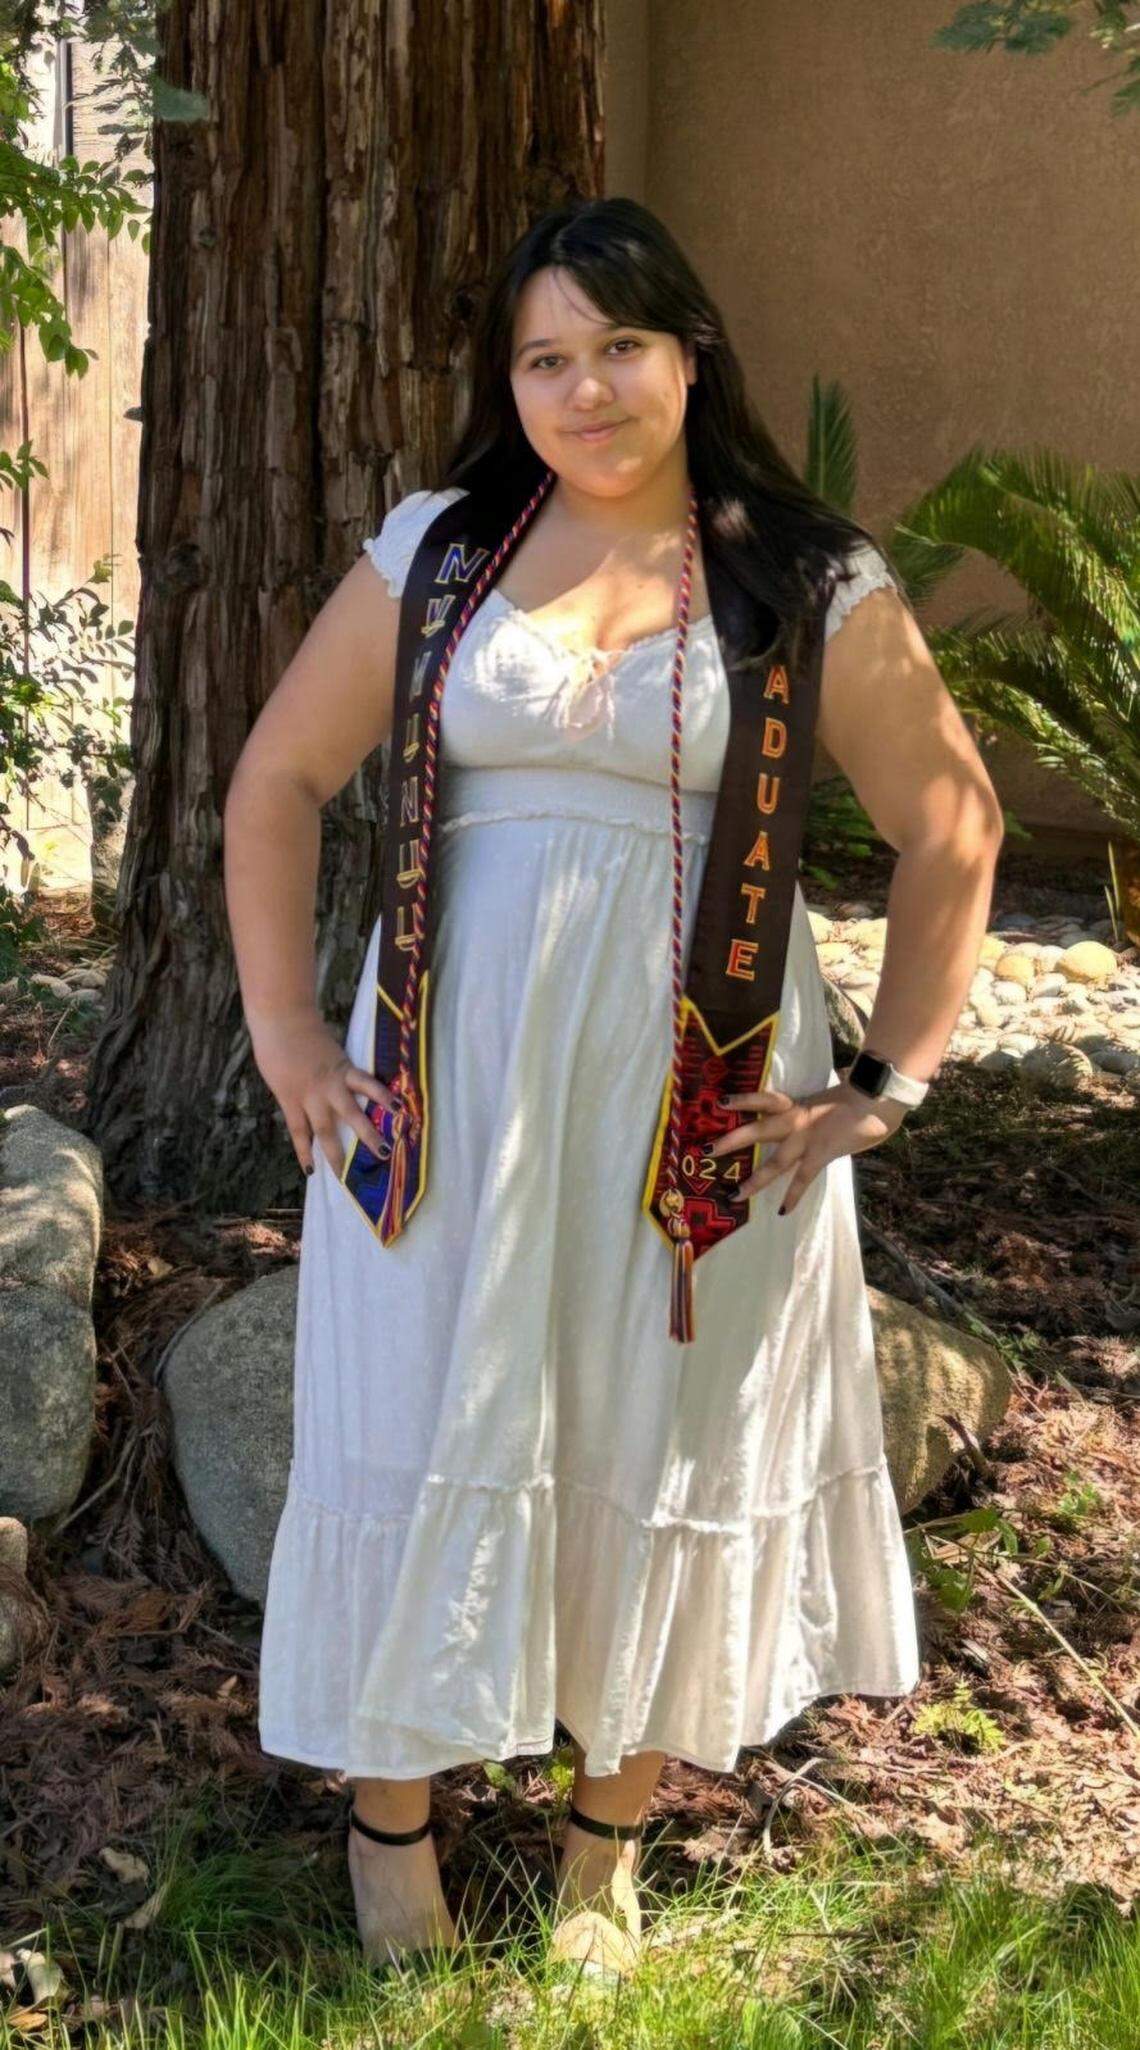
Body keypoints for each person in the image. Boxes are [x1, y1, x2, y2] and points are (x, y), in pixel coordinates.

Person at [223, 195, 1004, 1976]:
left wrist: (880, 1084)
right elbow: (274, 781)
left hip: (702, 1098)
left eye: (619, 349)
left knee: (669, 1423)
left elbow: (950, 826)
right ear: (512, 383)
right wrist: (285, 1035)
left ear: (689, 352)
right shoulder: (439, 551)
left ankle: (602, 1848)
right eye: (546, 358)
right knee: (421, 1417)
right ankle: (391, 1829)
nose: (585, 390)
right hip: (447, 1086)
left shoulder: (799, 573)